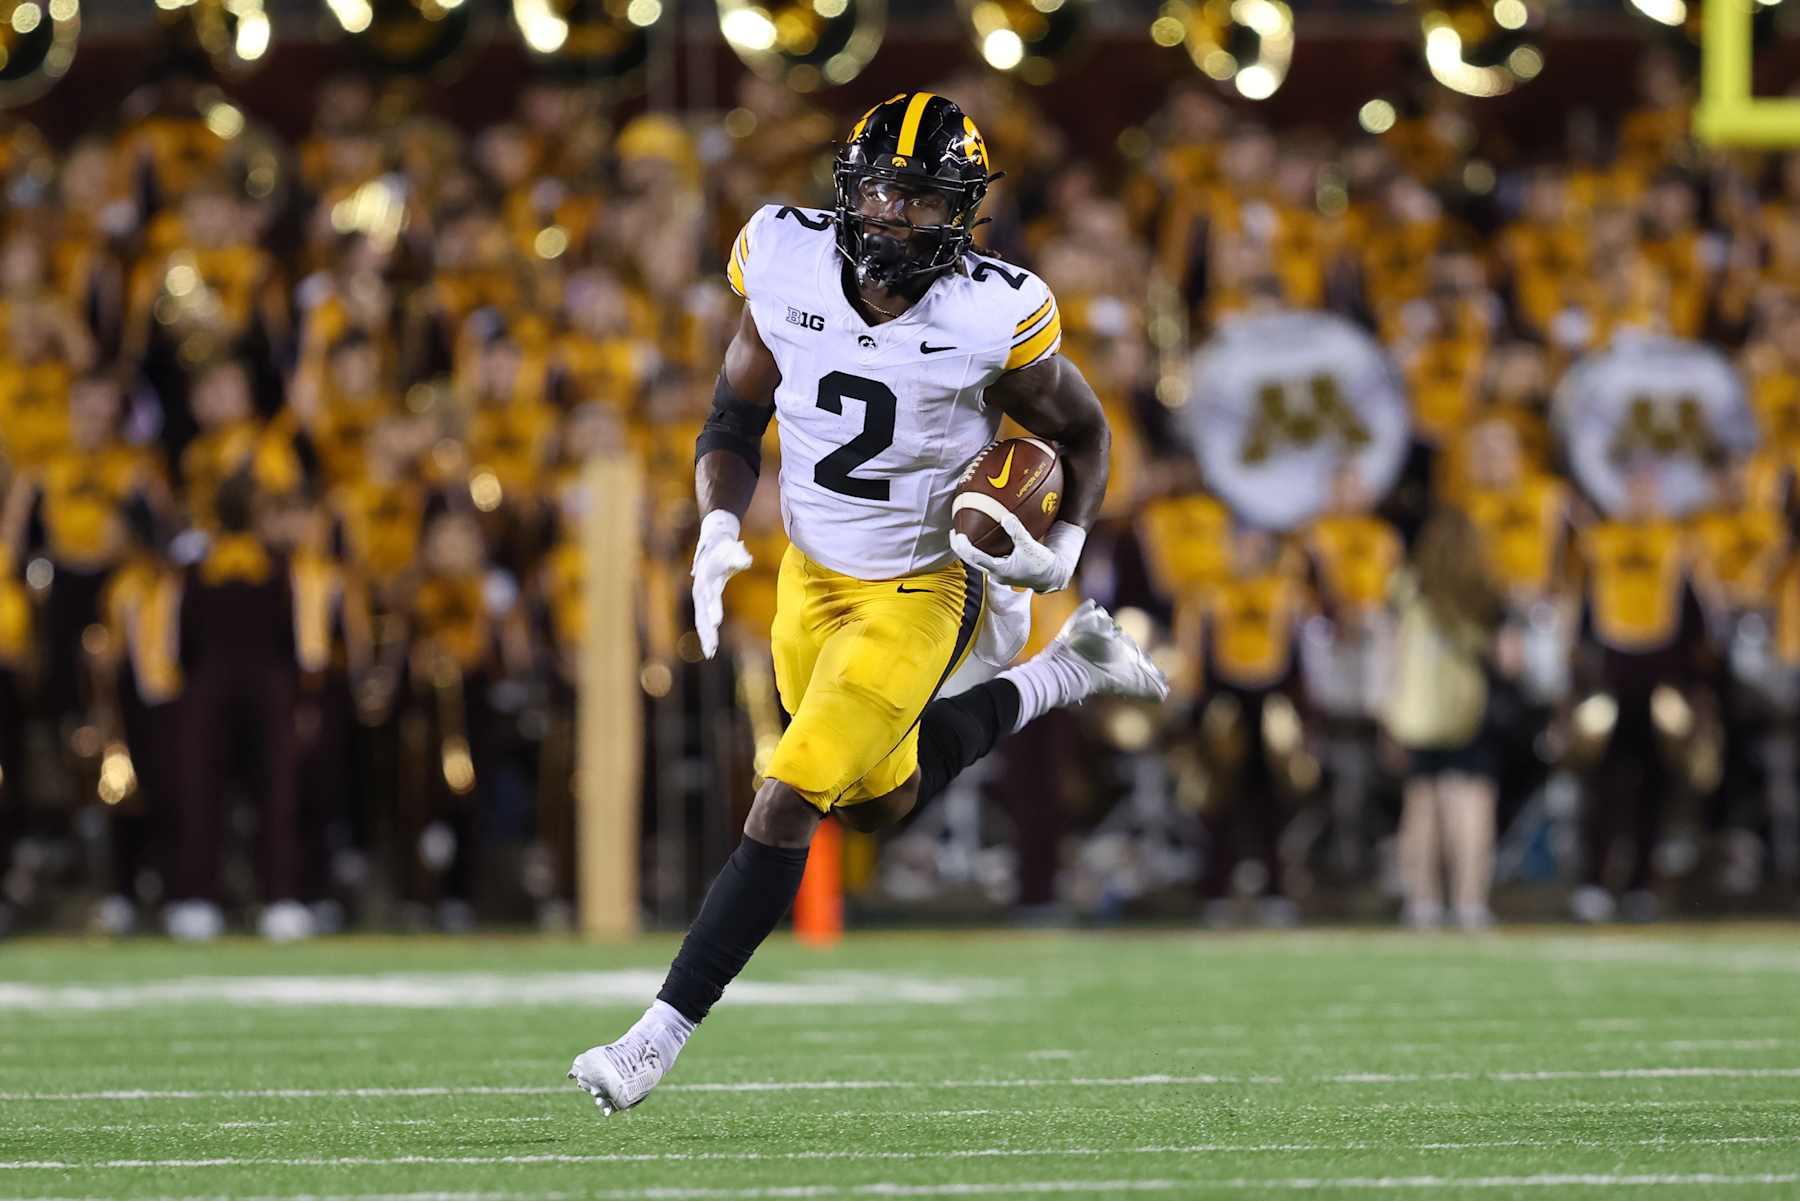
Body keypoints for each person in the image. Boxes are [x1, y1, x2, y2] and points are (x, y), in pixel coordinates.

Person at [568, 93, 1168, 1114]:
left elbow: (1086, 430)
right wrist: (717, 526)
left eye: (923, 200)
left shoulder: (994, 310)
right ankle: (1065, 671)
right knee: (877, 805)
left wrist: (1061, 547)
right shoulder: (783, 256)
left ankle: (655, 1036)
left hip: (923, 587)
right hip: (808, 572)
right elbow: (733, 411)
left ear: (962, 214)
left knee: (788, 794)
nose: (895, 216)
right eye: (882, 192)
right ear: (847, 192)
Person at [1383, 509, 1515, 931]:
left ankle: (1421, 903)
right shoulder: (1487, 592)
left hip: (1416, 710)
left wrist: (1389, 711)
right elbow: (1511, 659)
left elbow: (1389, 653)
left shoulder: (1405, 587)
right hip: (1469, 709)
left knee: (1421, 802)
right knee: (1471, 800)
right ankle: (1470, 902)